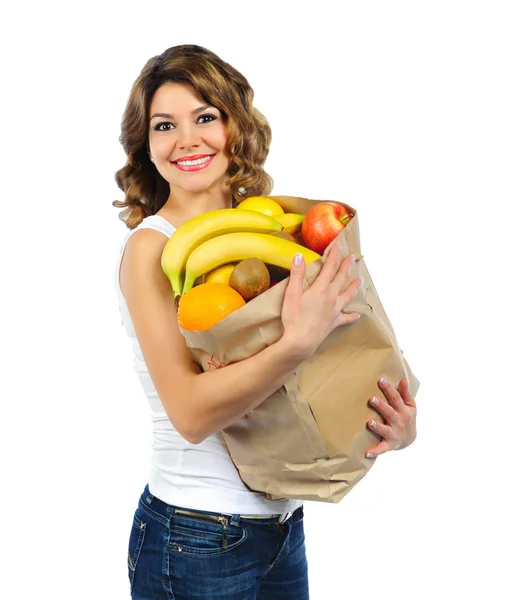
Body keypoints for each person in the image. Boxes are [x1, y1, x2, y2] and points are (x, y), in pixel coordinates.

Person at [114, 44, 417, 600]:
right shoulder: (149, 251)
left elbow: (314, 379)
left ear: (236, 125)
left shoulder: (273, 230)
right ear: (145, 145)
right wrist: (296, 342)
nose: (187, 139)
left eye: (206, 116)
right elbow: (190, 413)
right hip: (195, 535)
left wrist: (390, 424)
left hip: (282, 528)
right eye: (164, 125)